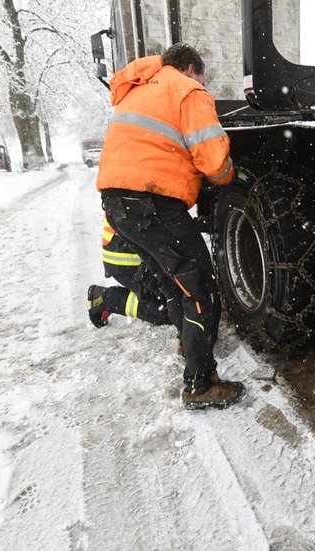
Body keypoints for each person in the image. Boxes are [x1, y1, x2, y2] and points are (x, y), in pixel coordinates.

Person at [96, 43, 244, 410]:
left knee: (172, 284)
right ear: (191, 67)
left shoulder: (137, 90)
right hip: (154, 206)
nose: (204, 83)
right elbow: (212, 159)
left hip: (118, 207)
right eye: (203, 76)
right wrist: (230, 178)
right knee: (200, 290)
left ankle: (187, 343)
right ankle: (200, 383)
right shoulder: (187, 89)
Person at [87, 213, 172, 328]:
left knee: (178, 303)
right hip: (126, 257)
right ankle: (108, 299)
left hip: (138, 250)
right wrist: (145, 264)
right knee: (171, 310)